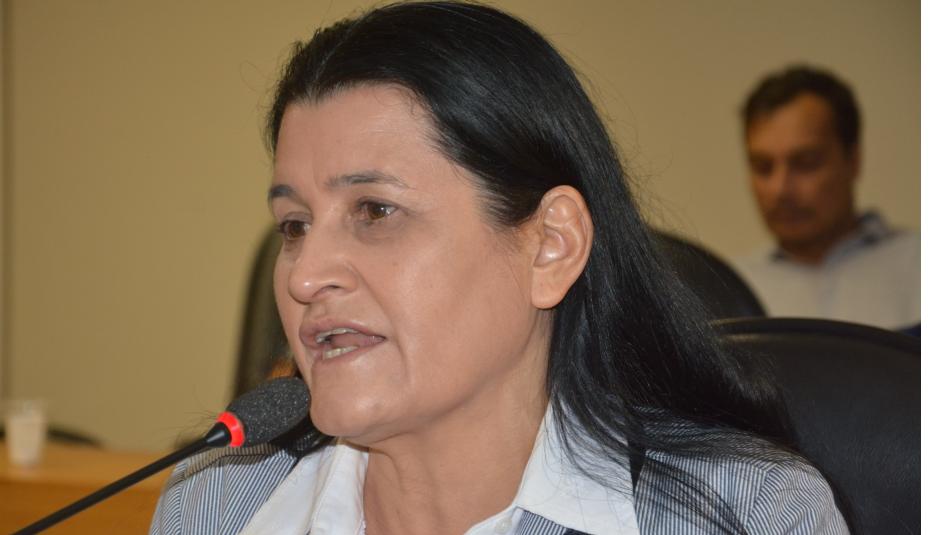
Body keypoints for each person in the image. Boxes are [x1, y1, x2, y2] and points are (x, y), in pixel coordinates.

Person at [150, 3, 848, 534]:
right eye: (294, 225)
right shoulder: (213, 504)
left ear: (550, 246)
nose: (305, 276)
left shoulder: (744, 514)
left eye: (376, 211)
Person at [733, 65, 920, 331]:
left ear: (853, 160)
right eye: (763, 167)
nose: (780, 189)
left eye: (806, 163)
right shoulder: (730, 290)